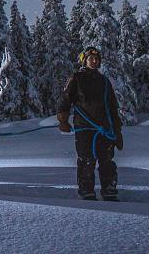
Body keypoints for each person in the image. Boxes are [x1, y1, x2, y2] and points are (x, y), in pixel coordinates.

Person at [57, 47, 123, 201]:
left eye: (97, 59)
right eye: (91, 58)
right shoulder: (76, 78)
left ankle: (109, 190)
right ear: (84, 60)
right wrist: (63, 119)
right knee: (86, 160)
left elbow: (112, 106)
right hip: (85, 128)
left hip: (105, 129)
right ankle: (87, 192)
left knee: (107, 161)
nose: (94, 61)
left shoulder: (104, 81)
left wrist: (117, 129)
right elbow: (66, 99)